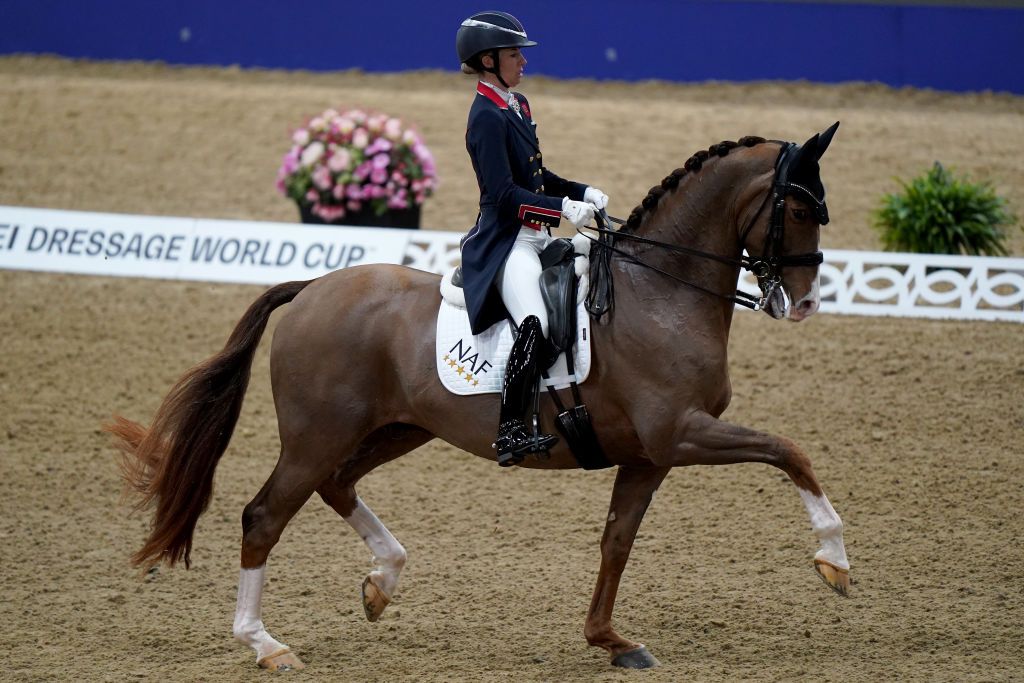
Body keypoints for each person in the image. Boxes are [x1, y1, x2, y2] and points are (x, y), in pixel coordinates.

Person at [456, 11, 610, 467]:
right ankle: (509, 430)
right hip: (508, 243)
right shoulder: (485, 115)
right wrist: (562, 210)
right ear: (488, 60)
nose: (522, 60)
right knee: (536, 324)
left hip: (538, 235)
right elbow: (502, 194)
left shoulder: (516, 104)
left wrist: (580, 192)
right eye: (513, 53)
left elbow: (538, 178)